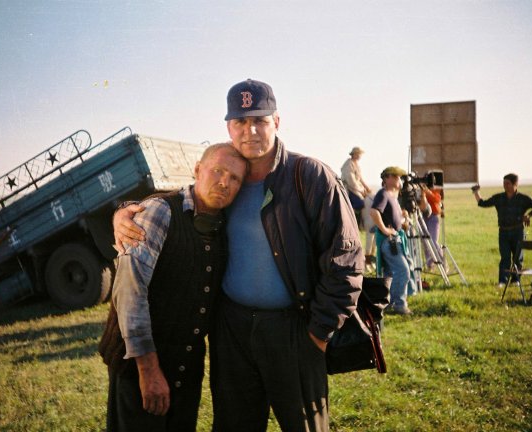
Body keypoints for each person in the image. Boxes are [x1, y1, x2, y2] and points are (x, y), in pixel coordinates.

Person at [114, 79, 364, 431]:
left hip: (294, 328)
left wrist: (318, 333)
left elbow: (346, 258)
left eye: (260, 120)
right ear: (229, 127)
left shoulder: (308, 175)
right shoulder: (225, 183)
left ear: (276, 122)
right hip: (231, 331)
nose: (251, 131)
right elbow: (181, 203)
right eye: (240, 122)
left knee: (305, 425)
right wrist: (125, 211)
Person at [98, 143, 248, 432]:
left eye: (234, 178)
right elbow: (130, 290)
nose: (224, 182)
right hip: (139, 367)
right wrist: (148, 369)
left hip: (186, 367)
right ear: (197, 170)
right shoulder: (160, 211)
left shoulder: (224, 224)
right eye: (217, 171)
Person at [472, 173, 532, 288]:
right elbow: (482, 203)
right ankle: (502, 281)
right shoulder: (499, 197)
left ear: (515, 184)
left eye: (507, 183)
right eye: (504, 183)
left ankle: (516, 281)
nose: (505, 185)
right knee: (505, 257)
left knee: (517, 258)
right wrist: (476, 192)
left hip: (518, 231)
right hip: (503, 232)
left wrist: (529, 215)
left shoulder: (523, 198)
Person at [370, 166, 414, 315]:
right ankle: (398, 304)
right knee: (403, 271)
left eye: (399, 177)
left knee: (390, 274)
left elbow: (391, 216)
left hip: (395, 239)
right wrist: (384, 229)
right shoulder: (383, 194)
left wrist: (402, 218)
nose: (398, 180)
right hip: (389, 241)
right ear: (386, 179)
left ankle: (388, 303)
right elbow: (374, 211)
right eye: (395, 177)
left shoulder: (391, 195)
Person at [421, 184, 444, 269]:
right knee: (425, 242)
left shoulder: (435, 188)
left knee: (433, 242)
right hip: (422, 216)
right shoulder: (419, 189)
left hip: (433, 216)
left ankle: (443, 263)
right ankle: (430, 265)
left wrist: (428, 192)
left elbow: (438, 199)